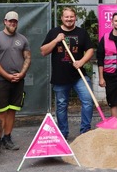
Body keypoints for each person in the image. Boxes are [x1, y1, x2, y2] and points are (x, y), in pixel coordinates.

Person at [40, 7, 95, 139]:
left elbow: (90, 50)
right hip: (60, 76)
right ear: (62, 18)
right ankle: (63, 133)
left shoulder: (81, 33)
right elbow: (43, 51)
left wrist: (81, 61)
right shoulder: (54, 32)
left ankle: (85, 130)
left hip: (78, 75)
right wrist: (56, 40)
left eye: (71, 17)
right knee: (61, 106)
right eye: (66, 17)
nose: (69, 19)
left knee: (88, 100)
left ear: (75, 17)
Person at [0, 10, 31, 151]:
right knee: (1, 112)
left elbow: (28, 57)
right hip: (1, 81)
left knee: (12, 111)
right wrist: (6, 75)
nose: (12, 23)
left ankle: (7, 138)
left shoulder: (23, 39)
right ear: (4, 21)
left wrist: (22, 73)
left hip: (18, 81)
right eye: (10, 21)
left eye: (15, 21)